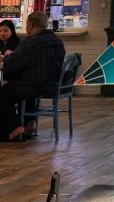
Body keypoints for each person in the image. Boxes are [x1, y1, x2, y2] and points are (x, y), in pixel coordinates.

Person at [0, 12, 65, 141]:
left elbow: (10, 64)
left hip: (33, 86)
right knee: (13, 85)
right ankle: (29, 122)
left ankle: (14, 128)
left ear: (29, 25)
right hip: (51, 85)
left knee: (3, 91)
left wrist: (6, 58)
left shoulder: (31, 42)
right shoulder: (57, 41)